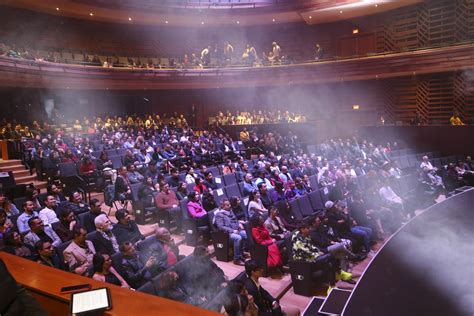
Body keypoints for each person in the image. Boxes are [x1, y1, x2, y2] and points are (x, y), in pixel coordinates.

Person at [214, 199, 247, 266]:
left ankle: (240, 253)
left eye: (229, 204)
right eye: (228, 205)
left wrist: (239, 224)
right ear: (223, 206)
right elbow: (221, 227)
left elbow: (235, 220)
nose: (230, 206)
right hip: (227, 234)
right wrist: (232, 231)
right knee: (238, 238)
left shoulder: (230, 211)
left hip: (236, 230)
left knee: (245, 234)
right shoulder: (219, 215)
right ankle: (237, 259)